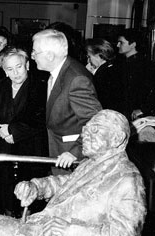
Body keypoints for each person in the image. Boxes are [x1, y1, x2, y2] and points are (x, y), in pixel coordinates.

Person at [0, 109, 147, 236]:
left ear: (117, 138)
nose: (85, 135)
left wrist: (71, 230)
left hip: (58, 232)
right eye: (86, 129)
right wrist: (36, 187)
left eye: (95, 130)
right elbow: (65, 183)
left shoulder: (128, 179)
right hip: (40, 226)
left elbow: (126, 232)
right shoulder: (93, 162)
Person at [31, 29, 102, 175]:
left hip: (71, 161)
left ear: (50, 55)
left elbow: (96, 123)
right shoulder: (60, 72)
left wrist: (75, 153)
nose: (32, 56)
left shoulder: (76, 79)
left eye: (35, 52)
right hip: (59, 153)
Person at [0, 46, 49, 216]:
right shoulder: (0, 86)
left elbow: (41, 118)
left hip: (30, 149)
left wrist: (12, 130)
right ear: (4, 71)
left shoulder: (40, 86)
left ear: (27, 65)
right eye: (9, 69)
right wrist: (1, 131)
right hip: (4, 149)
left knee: (28, 198)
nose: (15, 73)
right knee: (5, 196)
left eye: (19, 66)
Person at [116, 28, 155, 120]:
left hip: (134, 115)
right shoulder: (121, 63)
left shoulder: (145, 65)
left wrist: (143, 109)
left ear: (133, 44)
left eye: (121, 42)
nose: (117, 45)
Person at [85, 38, 122, 111]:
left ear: (99, 55)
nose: (88, 61)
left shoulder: (103, 74)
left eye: (89, 57)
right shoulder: (111, 68)